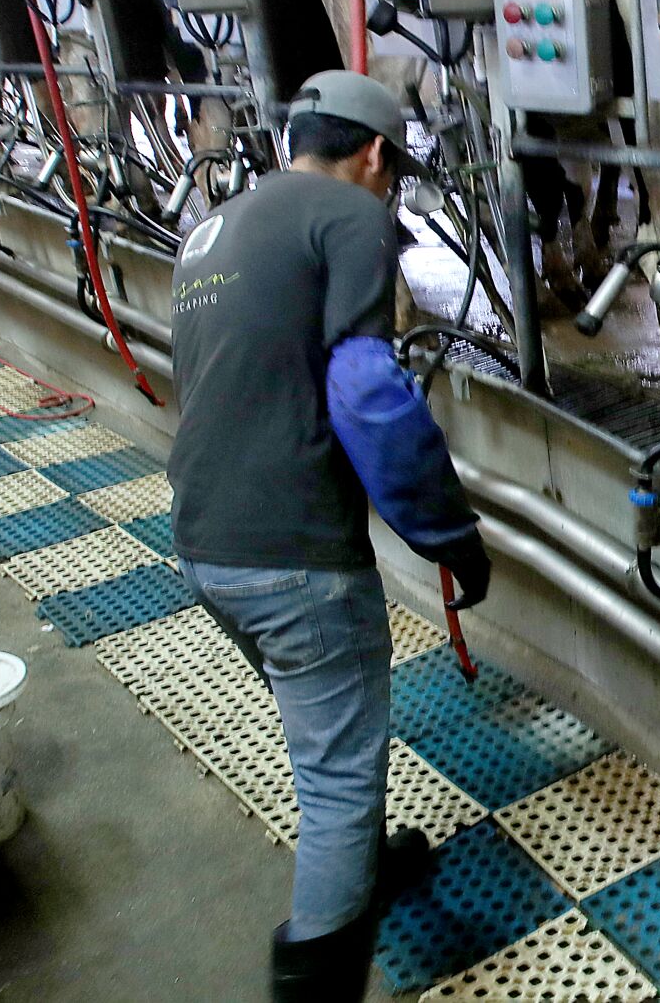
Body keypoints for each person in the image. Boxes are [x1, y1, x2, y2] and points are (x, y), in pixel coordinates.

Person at [167, 70, 492, 1002]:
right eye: (391, 178)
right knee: (338, 775)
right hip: (294, 560)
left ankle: (361, 865)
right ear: (376, 156)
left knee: (329, 733)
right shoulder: (351, 218)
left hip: (202, 540)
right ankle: (317, 972)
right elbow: (367, 392)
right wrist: (449, 534)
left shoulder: (211, 229)